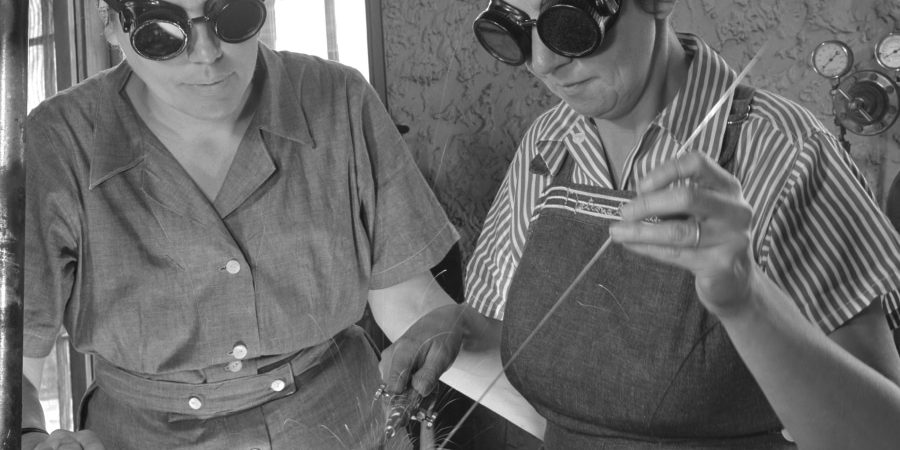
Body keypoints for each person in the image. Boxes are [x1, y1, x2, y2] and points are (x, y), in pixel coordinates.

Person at [377, 0, 900, 448]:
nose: (543, 63)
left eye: (569, 24)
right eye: (515, 31)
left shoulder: (785, 151)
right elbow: (515, 328)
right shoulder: (548, 144)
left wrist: (748, 303)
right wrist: (461, 325)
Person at [21, 0, 460, 449]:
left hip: (345, 426)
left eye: (232, 16)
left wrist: (530, 395)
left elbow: (409, 305)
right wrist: (29, 437)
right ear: (111, 24)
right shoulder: (58, 143)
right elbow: (12, 366)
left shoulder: (339, 98)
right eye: (163, 33)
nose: (208, 52)